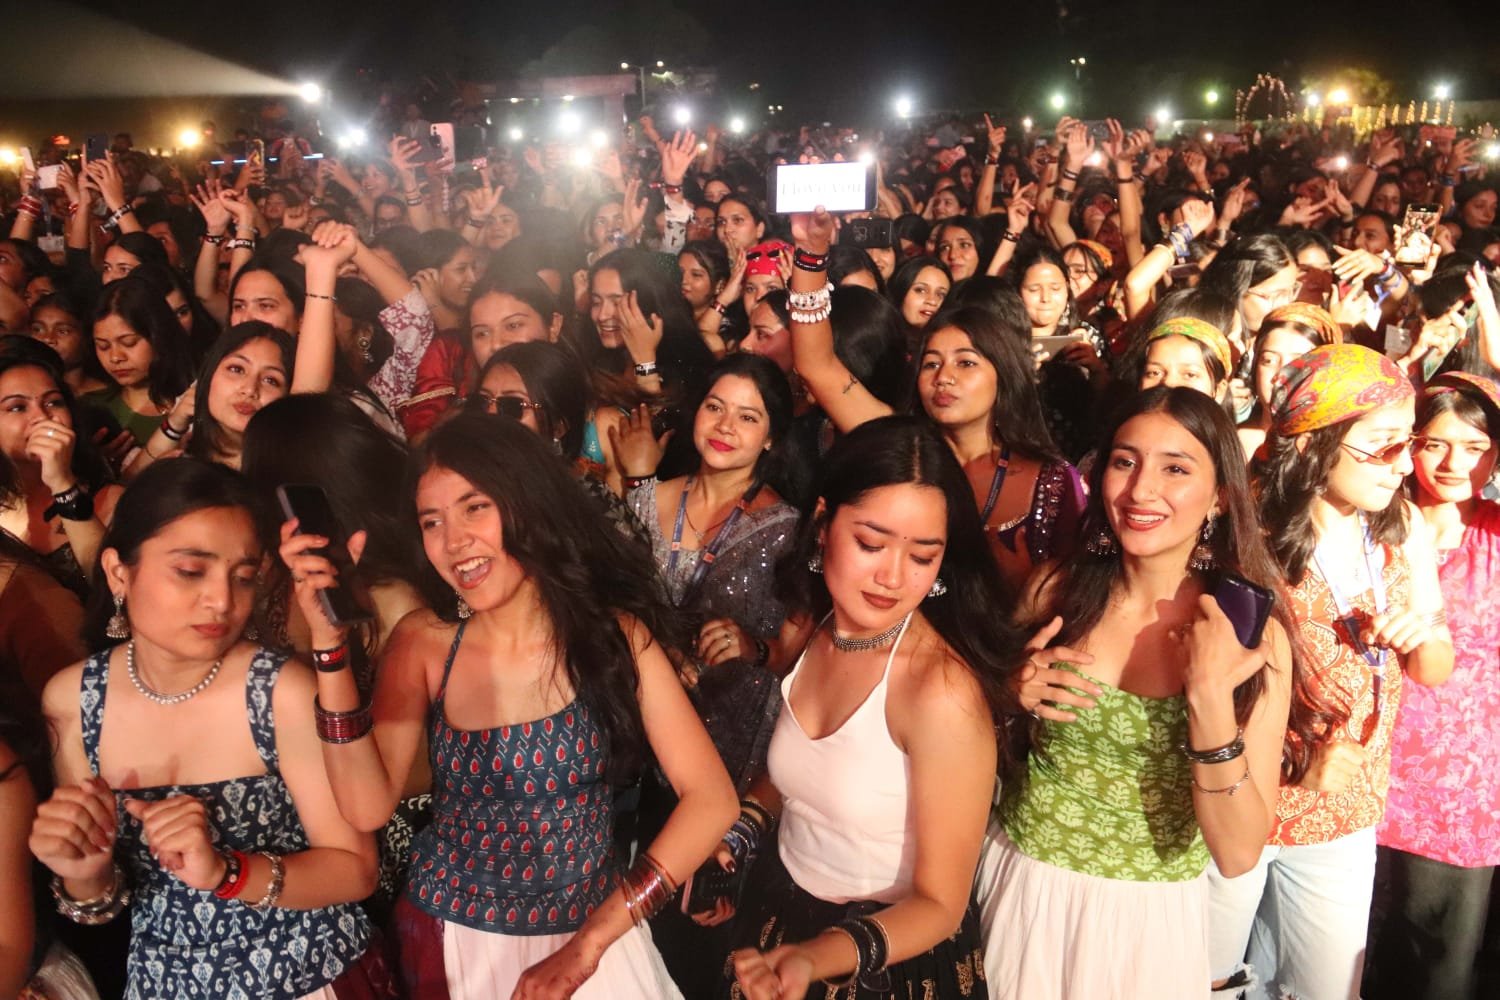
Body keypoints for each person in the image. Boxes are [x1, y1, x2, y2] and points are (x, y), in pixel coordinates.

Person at [279, 412, 737, 998]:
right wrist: (329, 650)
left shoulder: (614, 638)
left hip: (595, 941)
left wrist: (589, 945)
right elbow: (367, 808)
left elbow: (712, 799)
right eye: (432, 521)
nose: (454, 542)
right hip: (453, 941)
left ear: (528, 505)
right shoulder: (424, 643)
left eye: (475, 507)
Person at [976, 386, 1297, 998]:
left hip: (1148, 922)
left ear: (1221, 496)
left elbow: (1237, 853)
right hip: (1021, 888)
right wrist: (1006, 693)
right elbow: (972, 735)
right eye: (1125, 462)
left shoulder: (1251, 640)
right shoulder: (1055, 591)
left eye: (1175, 469)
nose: (1141, 490)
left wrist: (1208, 700)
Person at [29, 458, 392, 998]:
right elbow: (101, 902)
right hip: (165, 984)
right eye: (190, 571)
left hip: (305, 976)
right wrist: (83, 870)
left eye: (243, 578)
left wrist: (226, 872)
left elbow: (354, 871)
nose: (222, 601)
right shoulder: (74, 699)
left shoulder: (276, 691)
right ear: (118, 572)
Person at [716, 416, 1021, 1000]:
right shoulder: (816, 625)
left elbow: (940, 905)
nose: (892, 577)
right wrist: (739, 834)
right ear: (823, 523)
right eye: (871, 544)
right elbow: (813, 769)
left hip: (884, 960)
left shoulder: (940, 692)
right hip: (781, 915)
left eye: (922, 556)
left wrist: (815, 957)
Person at [1209, 343, 1454, 1000]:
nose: (1403, 464)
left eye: (1408, 442)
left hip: (1344, 807)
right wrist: (1293, 764)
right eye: (1382, 446)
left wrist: (1420, 637)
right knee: (1206, 979)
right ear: (1314, 443)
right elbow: (1208, 685)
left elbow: (1436, 665)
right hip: (1240, 800)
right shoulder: (1245, 531)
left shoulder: (1402, 528)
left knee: (1325, 988)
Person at [608, 353, 801, 995]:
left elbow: (800, 654)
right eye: (716, 407)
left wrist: (753, 647)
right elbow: (611, 603)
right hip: (635, 741)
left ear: (770, 437)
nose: (725, 426)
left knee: (697, 934)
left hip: (728, 751)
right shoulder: (645, 500)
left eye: (748, 417)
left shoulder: (787, 532)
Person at [1366, 371, 1500, 999]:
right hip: (1363, 761)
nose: (1453, 464)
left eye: (1475, 447)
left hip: (1460, 784)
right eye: (1435, 444)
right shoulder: (1369, 523)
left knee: (1437, 964)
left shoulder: (1494, 534)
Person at [0, 354, 121, 588]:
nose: (42, 417)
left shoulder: (109, 500)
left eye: (53, 402)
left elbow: (111, 590)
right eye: (17, 407)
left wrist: (62, 483)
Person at [83, 275, 194, 448]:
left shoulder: (196, 399)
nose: (115, 357)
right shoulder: (91, 410)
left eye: (129, 342)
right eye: (103, 346)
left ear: (158, 336)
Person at [1236, 303, 1342, 461]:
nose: (1281, 374)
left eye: (1298, 364)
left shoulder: (1338, 452)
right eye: (1269, 360)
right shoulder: (1232, 443)